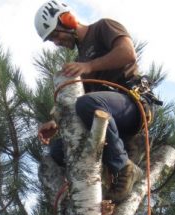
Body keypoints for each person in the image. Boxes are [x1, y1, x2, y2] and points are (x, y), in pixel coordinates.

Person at [34, 0, 144, 203]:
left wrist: (88, 66)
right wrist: (57, 124)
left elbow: (127, 53)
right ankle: (90, 193)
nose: (57, 42)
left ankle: (125, 167)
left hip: (132, 103)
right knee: (59, 149)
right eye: (52, 40)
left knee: (86, 103)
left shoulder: (103, 27)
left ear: (67, 20)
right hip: (107, 113)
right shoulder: (81, 58)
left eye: (56, 35)